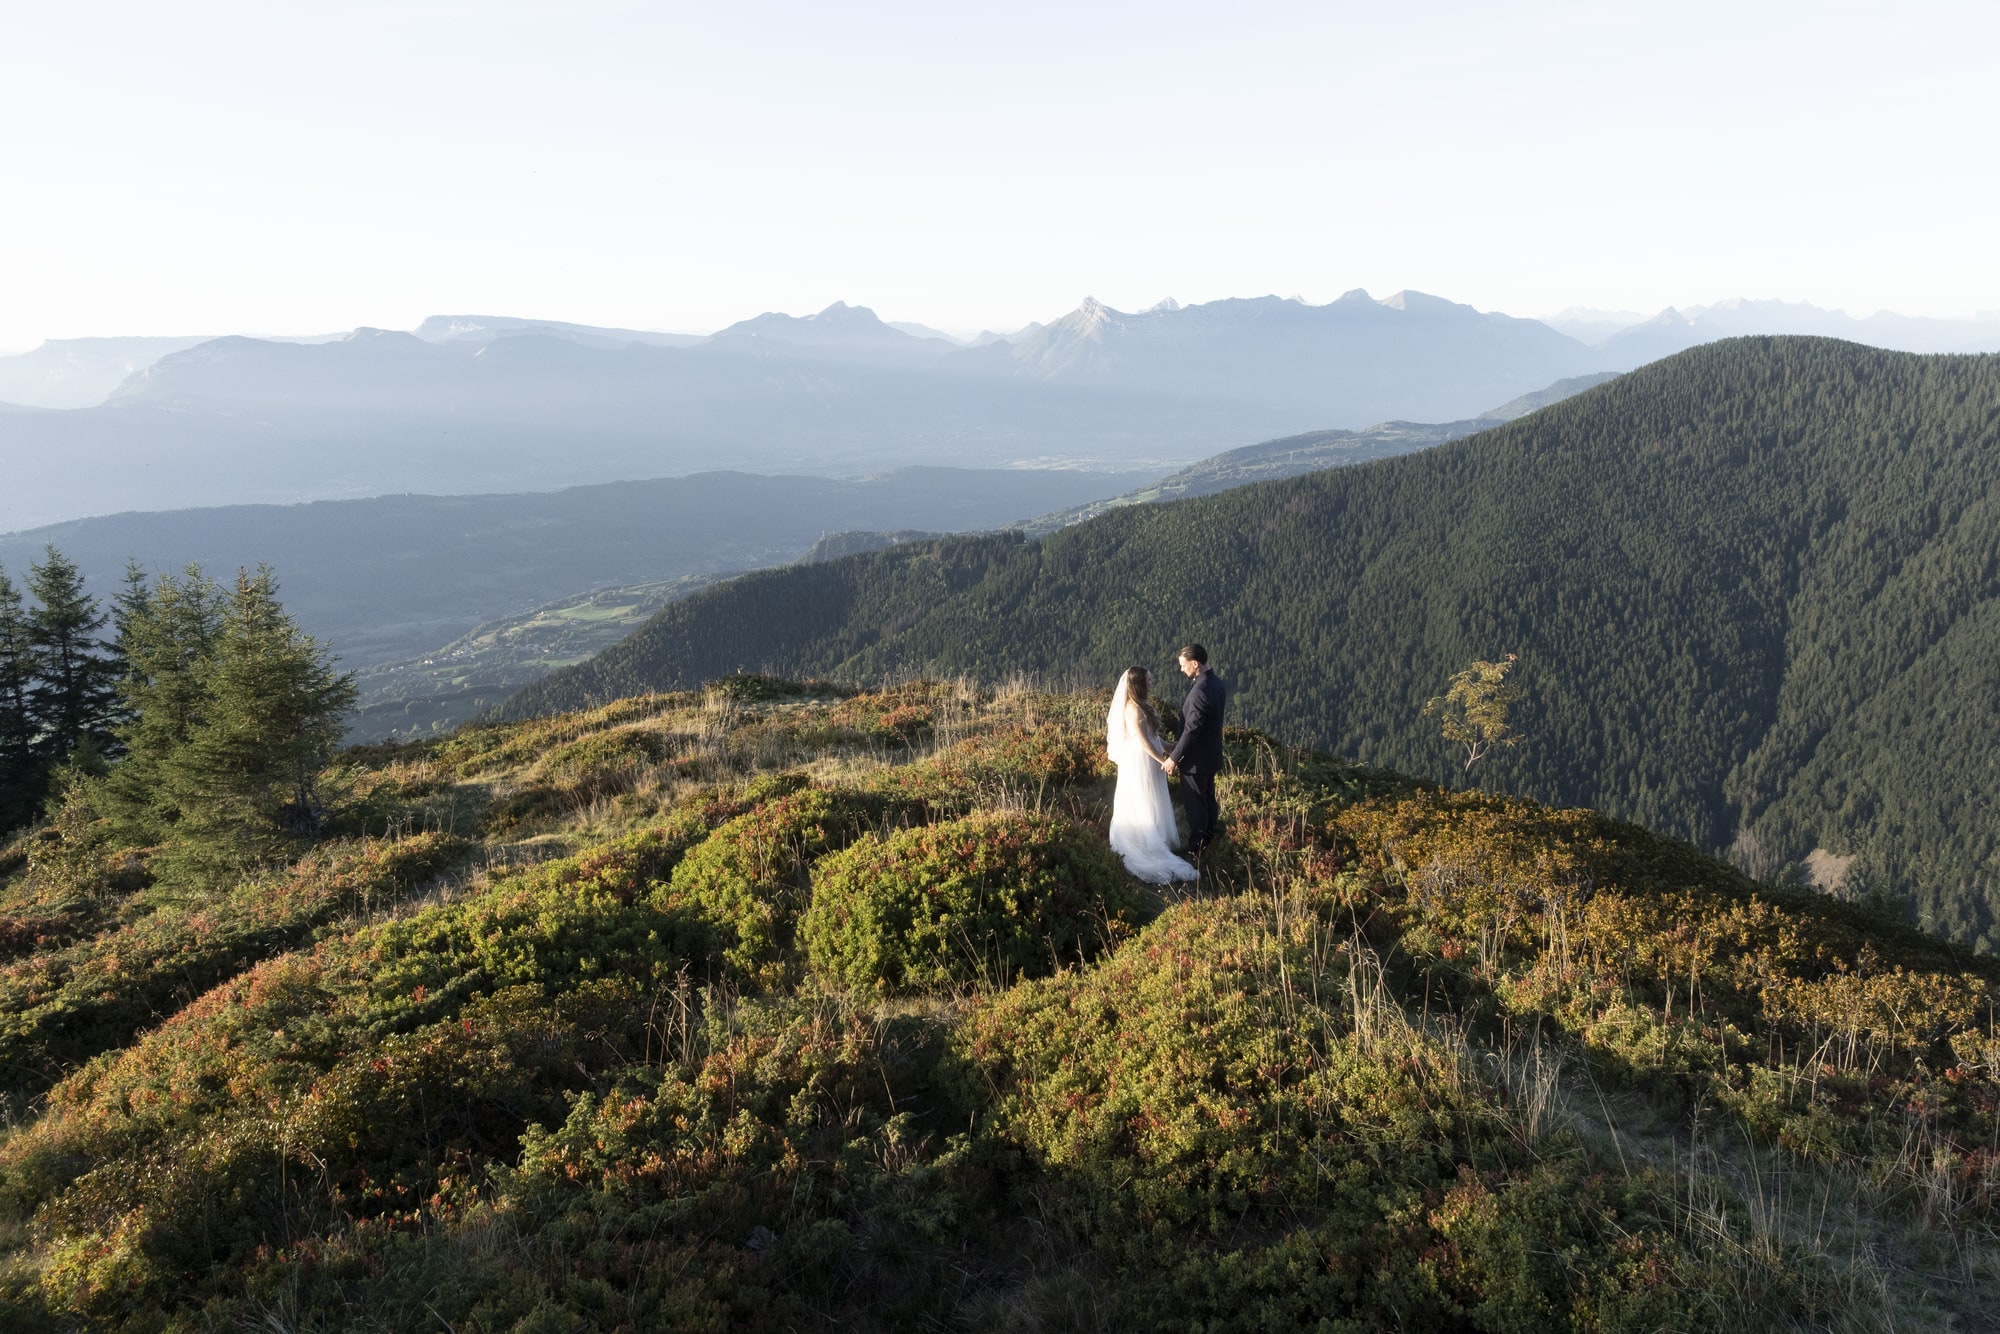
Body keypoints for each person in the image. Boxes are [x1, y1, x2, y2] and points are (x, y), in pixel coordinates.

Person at [1105, 665, 1199, 883]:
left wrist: (1168, 747)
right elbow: (1142, 741)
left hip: (1148, 758)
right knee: (1143, 798)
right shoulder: (1132, 709)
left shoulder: (1141, 705)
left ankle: (1155, 835)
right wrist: (1162, 760)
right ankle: (1145, 838)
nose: (1152, 681)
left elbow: (1153, 737)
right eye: (1148, 679)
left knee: (1153, 797)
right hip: (1140, 761)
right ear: (1138, 683)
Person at [1161, 643, 1226, 857]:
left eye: (1183, 665)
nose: (1181, 669)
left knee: (1196, 805)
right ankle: (1210, 838)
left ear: (1195, 664)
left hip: (1195, 761)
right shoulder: (1216, 684)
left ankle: (1196, 849)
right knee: (1208, 800)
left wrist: (1174, 757)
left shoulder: (1199, 691)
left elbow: (1192, 731)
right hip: (1210, 756)